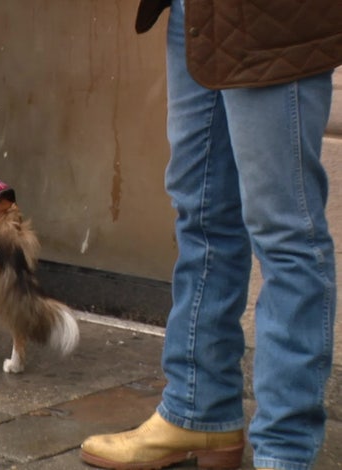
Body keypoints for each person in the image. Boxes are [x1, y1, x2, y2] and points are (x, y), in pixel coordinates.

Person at [81, 1, 342, 470]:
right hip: (198, 12)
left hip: (272, 21)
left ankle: (284, 450)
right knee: (201, 214)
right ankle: (198, 409)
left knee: (284, 232)